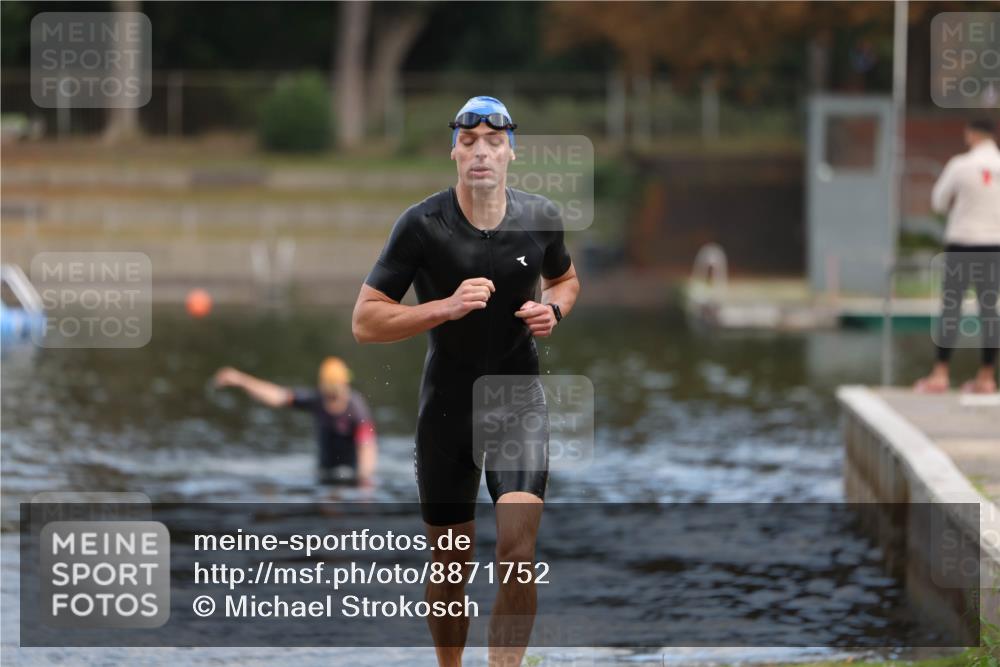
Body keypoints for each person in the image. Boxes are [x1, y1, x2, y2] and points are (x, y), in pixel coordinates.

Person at [352, 95, 580, 667]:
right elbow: (365, 321)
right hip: (447, 412)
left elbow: (566, 279)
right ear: (454, 151)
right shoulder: (422, 226)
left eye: (494, 142)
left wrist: (554, 311)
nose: (481, 152)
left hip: (517, 402)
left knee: (517, 550)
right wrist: (443, 308)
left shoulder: (540, 218)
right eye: (470, 141)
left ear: (511, 153)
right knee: (451, 570)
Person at [915, 118, 1000, 394]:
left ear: (971, 134)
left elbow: (938, 202)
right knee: (990, 312)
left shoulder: (960, 165)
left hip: (962, 243)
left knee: (951, 309)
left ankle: (940, 374)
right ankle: (987, 377)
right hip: (994, 246)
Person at [213, 357, 378, 484]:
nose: (333, 397)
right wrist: (241, 380)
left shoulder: (357, 409)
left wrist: (364, 484)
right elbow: (277, 396)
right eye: (330, 392)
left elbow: (367, 449)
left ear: (345, 385)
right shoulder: (316, 399)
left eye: (337, 391)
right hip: (324, 473)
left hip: (351, 476)